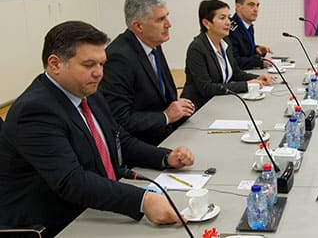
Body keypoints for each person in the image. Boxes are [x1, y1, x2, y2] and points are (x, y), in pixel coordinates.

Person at [0, 21, 195, 236]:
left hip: (93, 206)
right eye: (89, 65)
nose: (99, 73)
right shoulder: (35, 111)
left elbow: (119, 140)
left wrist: (166, 158)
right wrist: (142, 200)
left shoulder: (89, 93)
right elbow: (71, 181)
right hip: (57, 224)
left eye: (101, 64)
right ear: (55, 64)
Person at [100, 0, 195, 146]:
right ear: (138, 26)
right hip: (143, 146)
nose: (169, 24)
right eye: (160, 19)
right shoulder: (119, 58)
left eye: (167, 16)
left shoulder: (153, 44)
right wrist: (165, 116)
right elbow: (120, 120)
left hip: (168, 134)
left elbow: (164, 99)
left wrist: (180, 107)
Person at [181, 0, 274, 109]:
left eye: (228, 17)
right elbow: (206, 88)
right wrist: (246, 85)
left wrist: (258, 77)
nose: (228, 22)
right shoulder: (197, 49)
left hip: (221, 102)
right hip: (200, 107)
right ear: (206, 23)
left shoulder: (225, 42)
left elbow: (236, 73)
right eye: (222, 18)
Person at [227, 0, 273, 70]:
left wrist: (256, 49)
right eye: (251, 5)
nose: (256, 9)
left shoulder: (248, 26)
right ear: (238, 7)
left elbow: (243, 51)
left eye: (257, 5)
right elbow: (234, 60)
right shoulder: (229, 29)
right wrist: (259, 62)